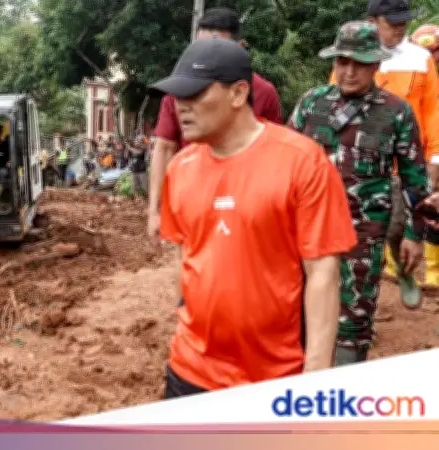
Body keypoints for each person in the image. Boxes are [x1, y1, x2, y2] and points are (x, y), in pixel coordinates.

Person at [151, 38, 358, 398]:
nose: (180, 106)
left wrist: (316, 372)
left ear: (237, 93)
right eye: (177, 96)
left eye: (194, 94)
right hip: (190, 368)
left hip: (273, 374)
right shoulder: (180, 170)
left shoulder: (301, 162)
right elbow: (184, 257)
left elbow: (323, 272)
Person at [289, 20, 433, 365]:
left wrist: (414, 235)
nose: (349, 71)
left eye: (360, 63)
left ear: (376, 65)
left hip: (363, 234)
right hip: (307, 229)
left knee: (354, 318)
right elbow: (285, 162)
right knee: (298, 308)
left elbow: (415, 179)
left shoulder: (396, 113)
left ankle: (343, 395)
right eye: (343, 62)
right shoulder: (312, 103)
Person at [147, 7, 284, 246]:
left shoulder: (264, 92)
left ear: (239, 48)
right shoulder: (177, 93)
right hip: (194, 200)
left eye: (216, 49)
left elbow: (274, 154)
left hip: (248, 206)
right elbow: (164, 148)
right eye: (199, 48)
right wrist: (154, 210)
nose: (204, 57)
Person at [329, 0, 439, 293]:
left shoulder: (420, 58)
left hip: (405, 160)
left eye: (404, 20)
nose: (401, 27)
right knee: (363, 233)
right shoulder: (349, 58)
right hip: (359, 162)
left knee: (402, 224)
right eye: (393, 22)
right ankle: (367, 293)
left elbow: (433, 112)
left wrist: (435, 158)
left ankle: (402, 272)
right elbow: (333, 108)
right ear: (373, 21)